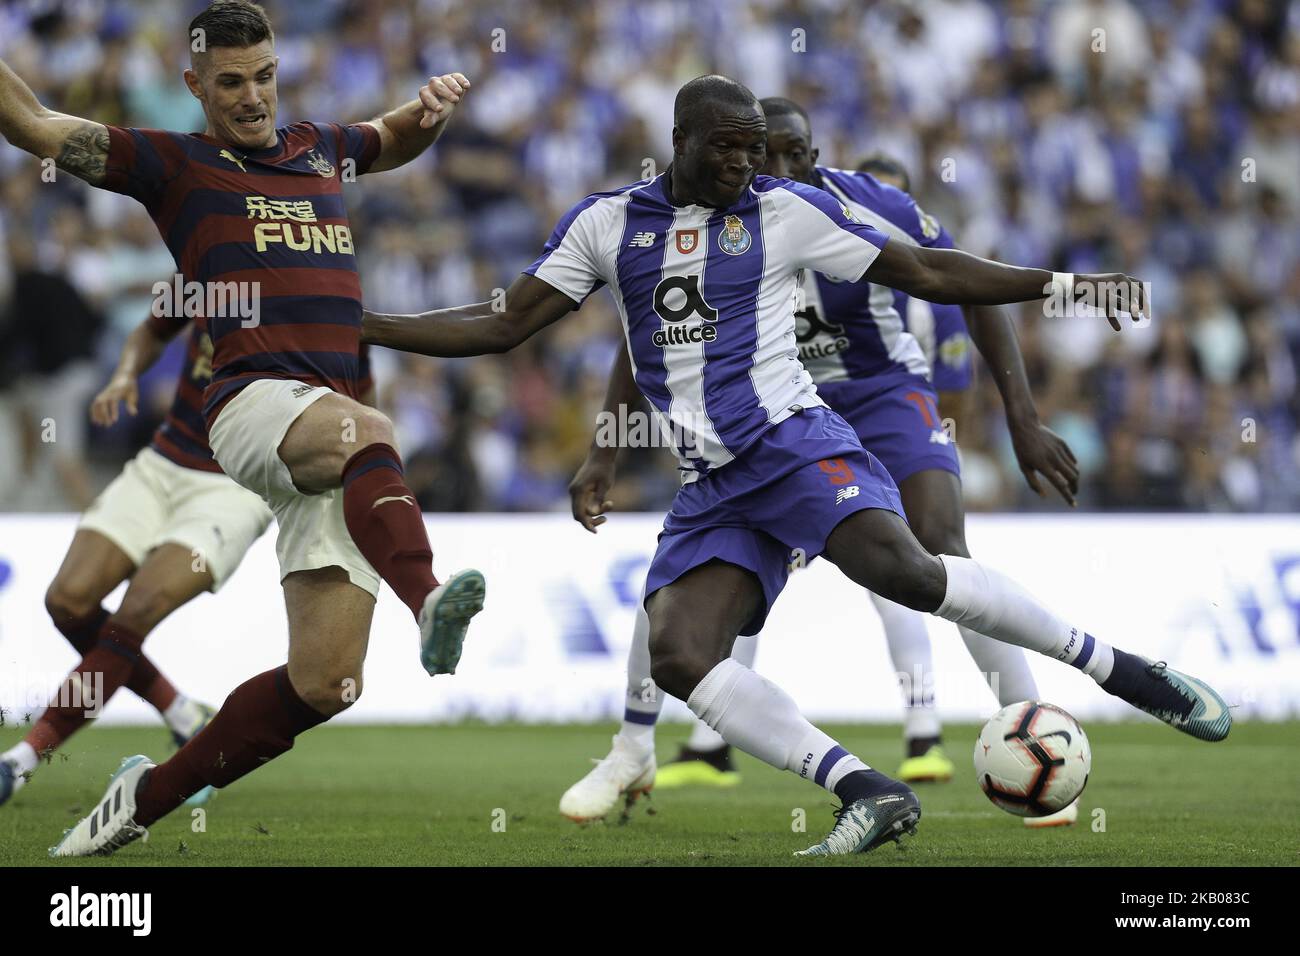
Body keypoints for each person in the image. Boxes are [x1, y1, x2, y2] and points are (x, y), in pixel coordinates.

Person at [363, 74, 1226, 857]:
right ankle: (864, 788)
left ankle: (1124, 671)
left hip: (793, 442)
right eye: (728, 146)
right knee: (678, 651)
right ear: (682, 141)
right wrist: (367, 327)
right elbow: (501, 323)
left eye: (755, 145)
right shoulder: (607, 224)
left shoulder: (783, 213)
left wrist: (1070, 288)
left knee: (914, 572)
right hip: (713, 481)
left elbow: (929, 269)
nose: (745, 162)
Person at [0, 0, 482, 857]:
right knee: (369, 427)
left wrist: (428, 113)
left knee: (326, 682)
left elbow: (392, 137)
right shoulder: (171, 164)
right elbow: (34, 124)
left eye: (263, 76)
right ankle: (429, 599)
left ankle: (139, 802)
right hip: (251, 406)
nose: (253, 97)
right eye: (231, 83)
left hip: (327, 440)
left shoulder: (319, 147)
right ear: (194, 85)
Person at [558, 99, 1081, 829]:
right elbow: (641, 334)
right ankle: (637, 745)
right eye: (760, 154)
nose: (774, 170)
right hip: (755, 412)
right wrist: (605, 450)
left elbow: (962, 284)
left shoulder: (863, 202)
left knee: (936, 545)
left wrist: (1022, 418)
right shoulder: (706, 219)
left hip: (877, 393)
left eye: (791, 154)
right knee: (696, 576)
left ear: (814, 153)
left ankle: (1030, 730)